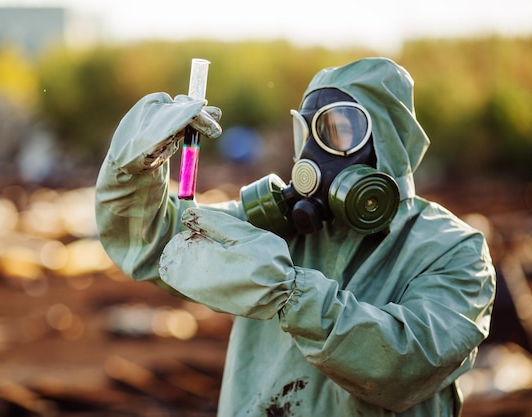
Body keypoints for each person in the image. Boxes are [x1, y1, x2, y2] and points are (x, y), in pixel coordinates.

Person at [95, 57, 496, 416]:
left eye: (336, 132)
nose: (312, 155)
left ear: (386, 139)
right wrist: (136, 167)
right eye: (306, 131)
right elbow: (157, 246)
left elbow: (408, 365)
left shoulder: (454, 250)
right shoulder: (278, 228)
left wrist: (290, 294)